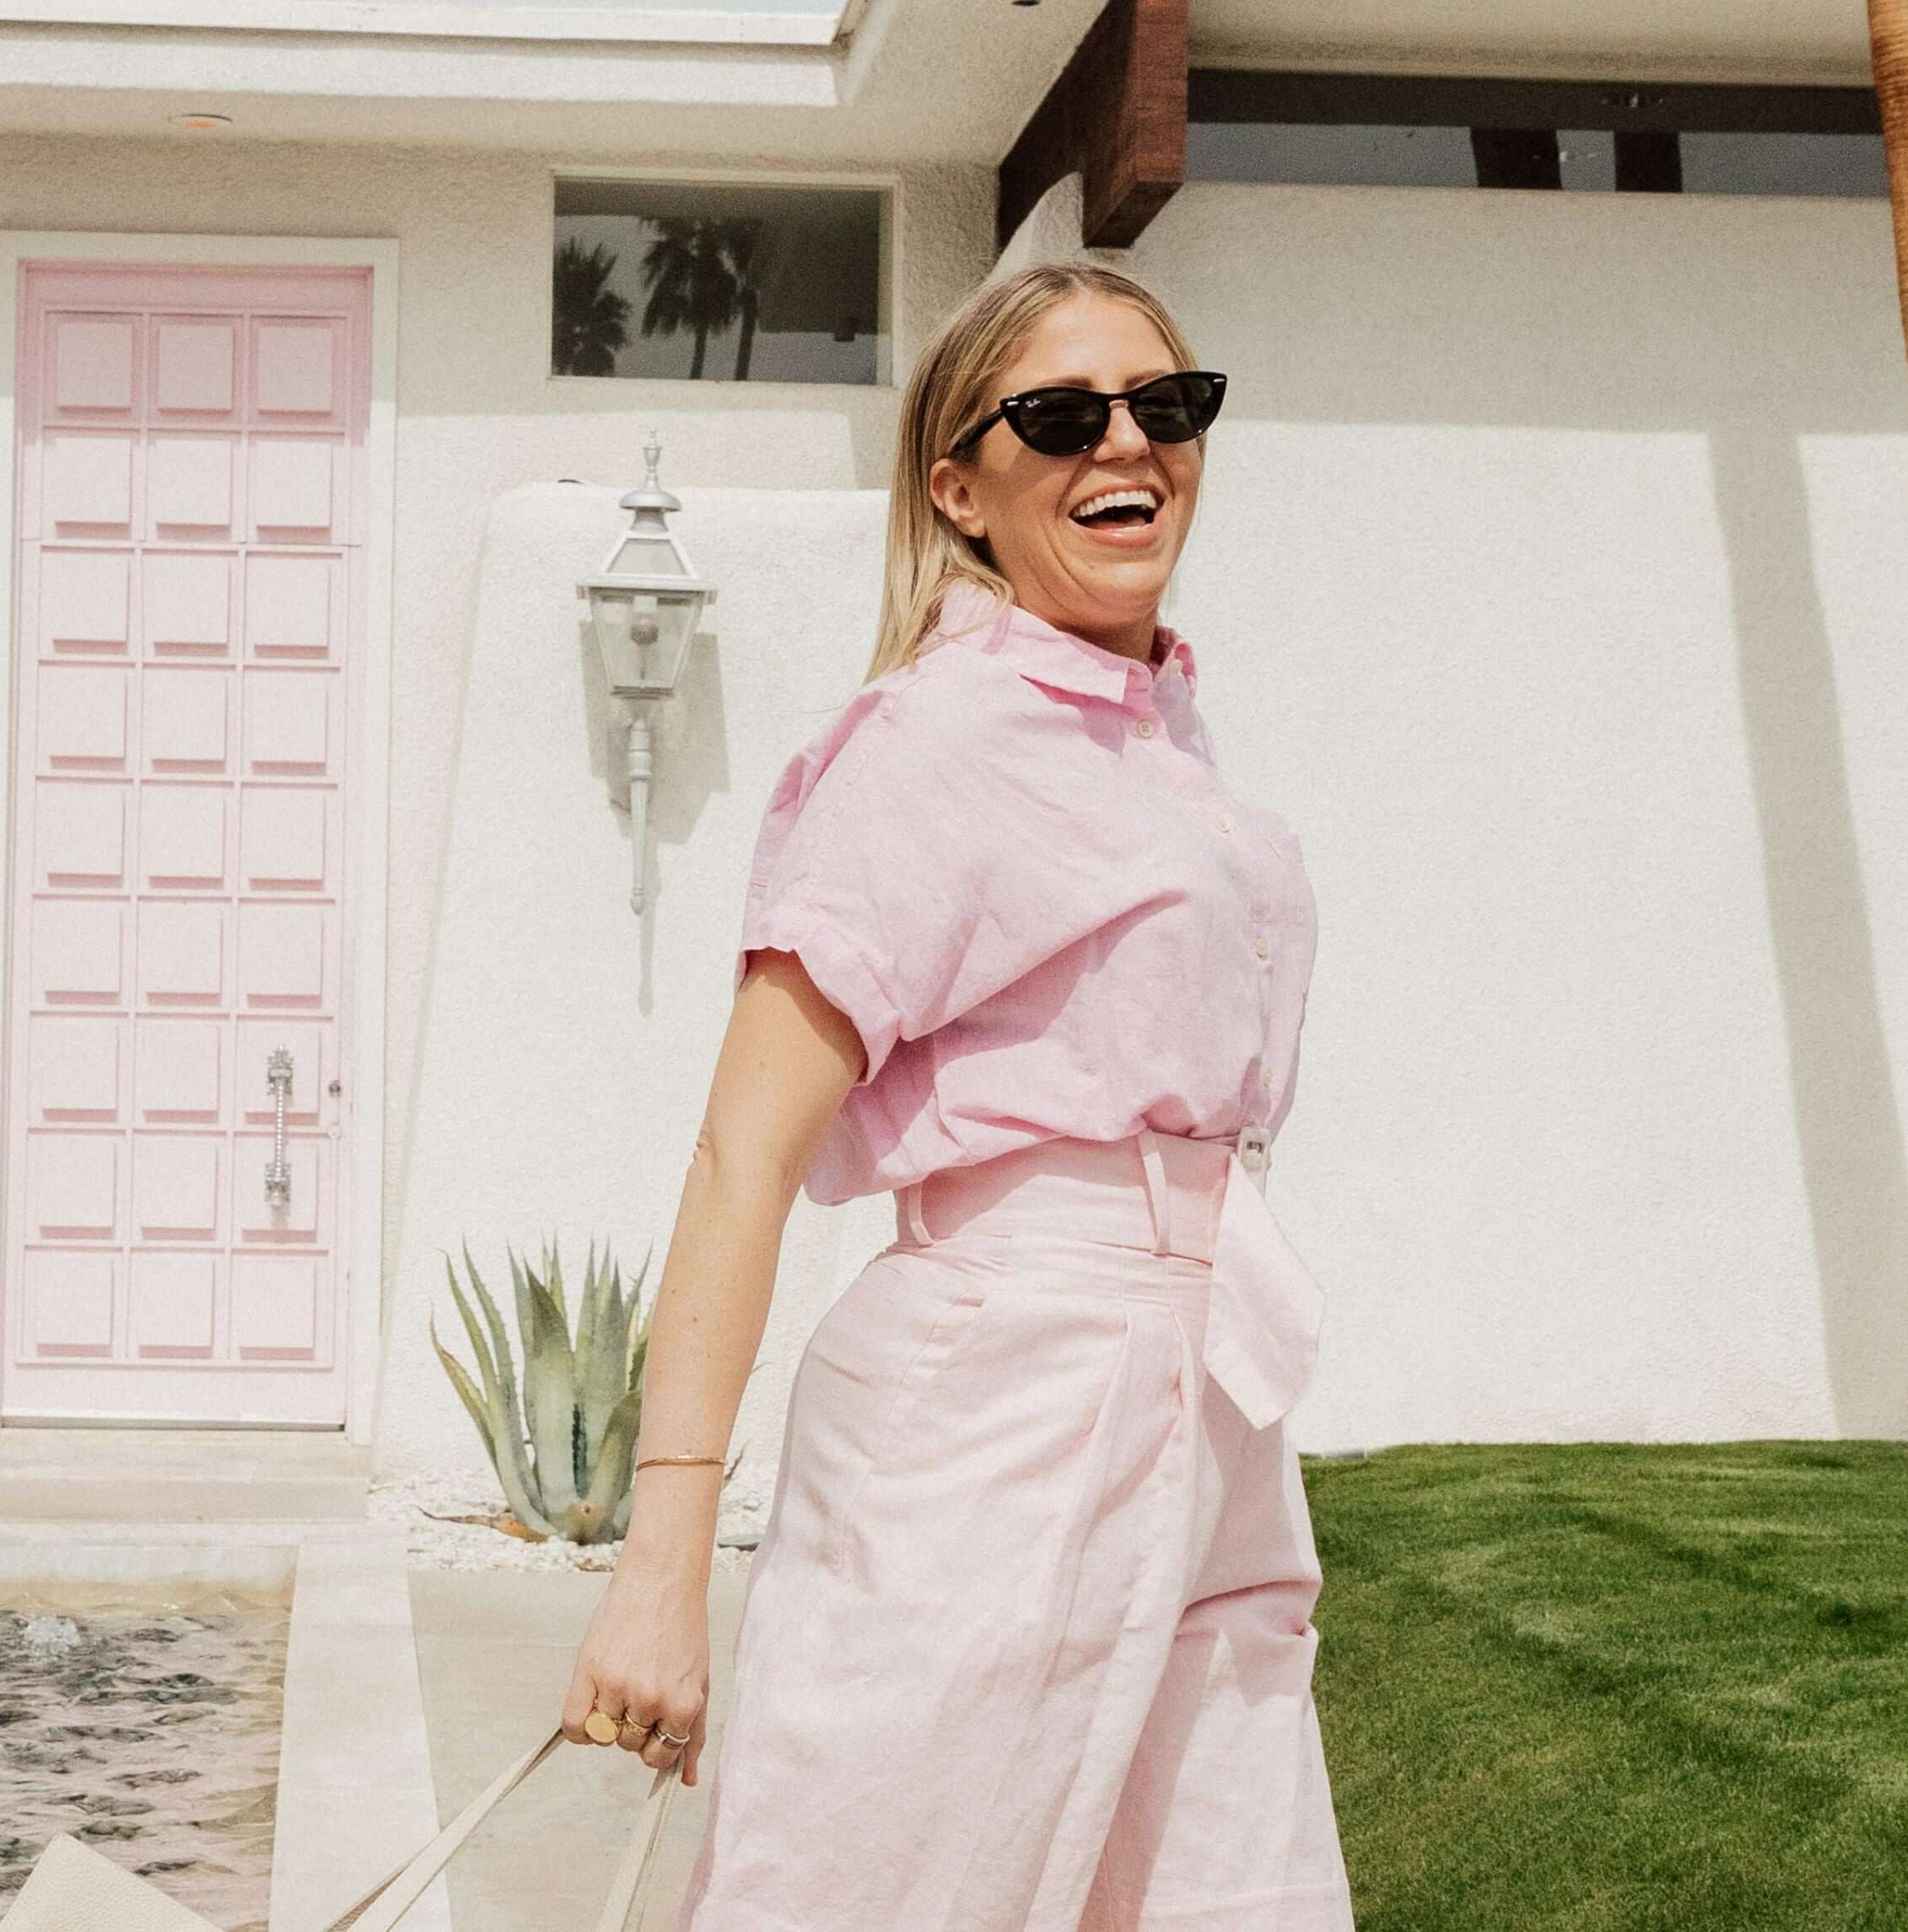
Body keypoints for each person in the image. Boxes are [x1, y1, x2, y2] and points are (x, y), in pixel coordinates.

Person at [555, 260, 1354, 1930]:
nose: (1125, 442)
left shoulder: (1160, 743)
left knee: (1231, 1895)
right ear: (959, 488)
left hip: (1208, 1385)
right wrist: (660, 1572)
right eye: (1061, 416)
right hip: (996, 1401)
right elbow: (738, 1158)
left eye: (1166, 404)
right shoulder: (927, 744)